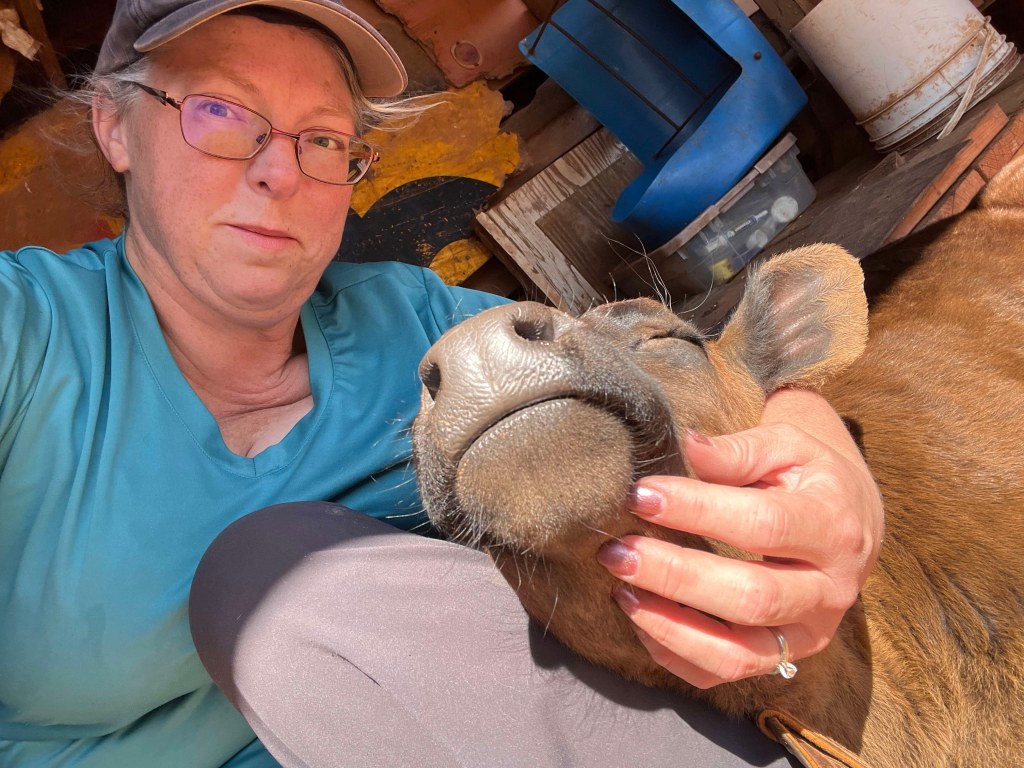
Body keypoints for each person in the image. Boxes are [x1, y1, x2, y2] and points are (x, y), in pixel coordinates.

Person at [0, 1, 883, 766]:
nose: (280, 172)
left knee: (280, 578)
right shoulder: (27, 334)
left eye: (323, 138)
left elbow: (643, 370)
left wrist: (814, 434)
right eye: (223, 113)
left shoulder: (421, 322)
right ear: (114, 125)